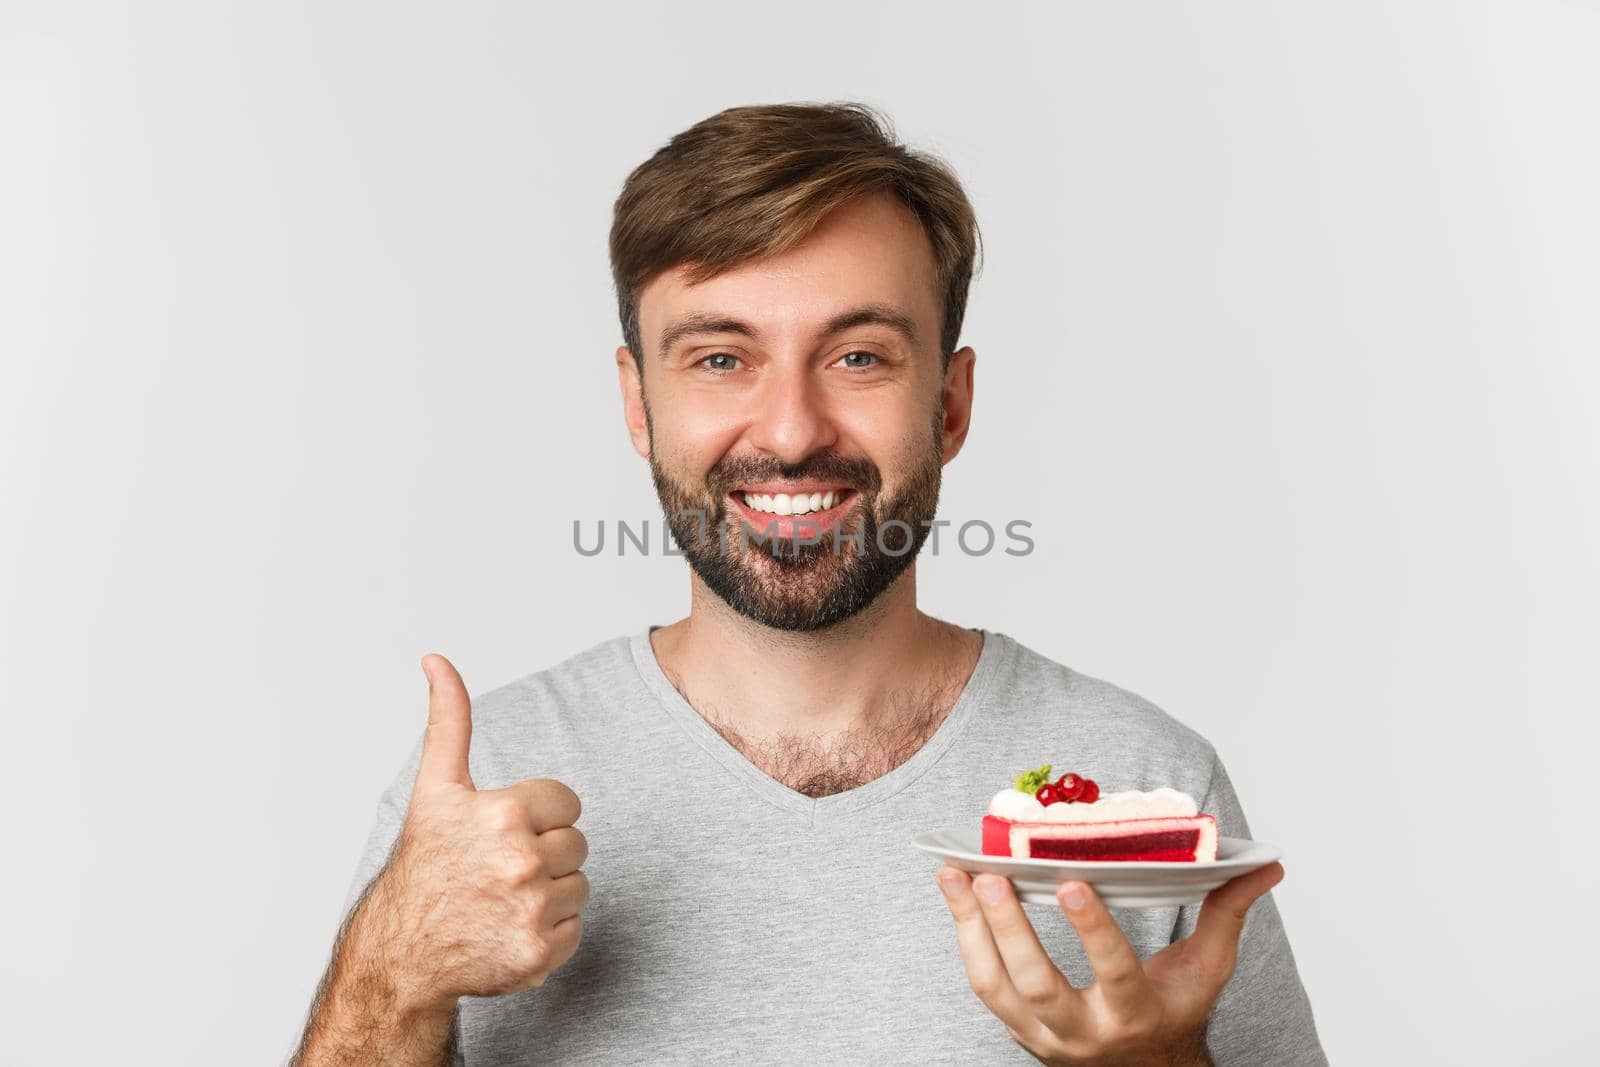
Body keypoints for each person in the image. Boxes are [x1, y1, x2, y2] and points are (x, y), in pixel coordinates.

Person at [290, 102, 1325, 1066]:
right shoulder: (482, 791)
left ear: (951, 405)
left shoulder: (1146, 783)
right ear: (638, 405)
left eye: (859, 356)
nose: (789, 430)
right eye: (719, 359)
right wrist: (395, 975)